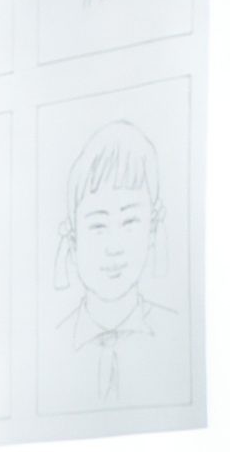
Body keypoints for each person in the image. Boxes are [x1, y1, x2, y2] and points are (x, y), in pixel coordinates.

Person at [54, 119, 180, 406]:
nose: (114, 247)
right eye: (98, 225)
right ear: (73, 240)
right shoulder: (54, 342)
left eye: (129, 221)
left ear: (152, 229)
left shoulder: (174, 334)